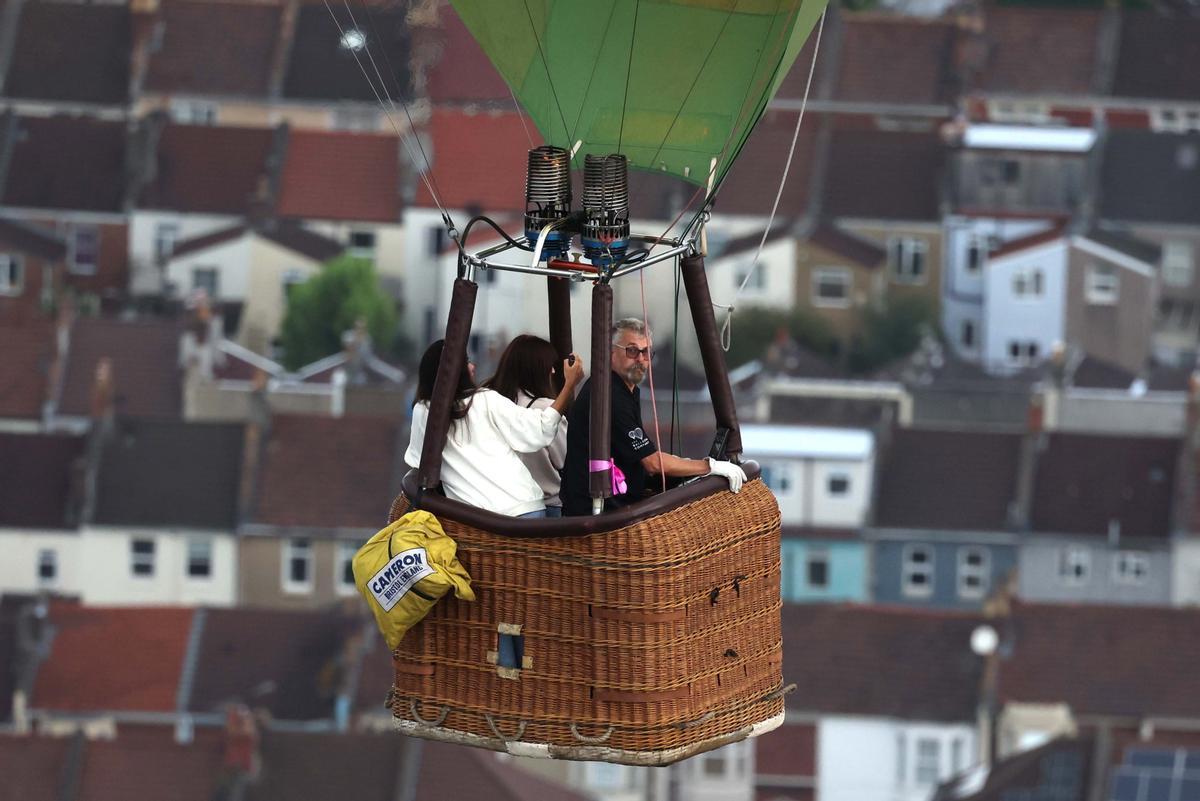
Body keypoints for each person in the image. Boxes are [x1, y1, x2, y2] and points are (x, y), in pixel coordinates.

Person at [560, 318, 746, 516]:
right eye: (632, 351)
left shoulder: (626, 390)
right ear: (610, 353)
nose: (641, 359)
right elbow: (652, 462)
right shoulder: (610, 395)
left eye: (646, 352)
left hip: (615, 502)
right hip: (597, 512)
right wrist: (709, 466)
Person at [406, 339, 584, 518]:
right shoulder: (485, 400)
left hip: (480, 515)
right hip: (526, 506)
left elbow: (419, 461)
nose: (473, 366)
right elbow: (541, 428)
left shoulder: (423, 410)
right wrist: (569, 385)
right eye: (467, 362)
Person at [483, 335, 569, 517]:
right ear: (537, 369)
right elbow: (564, 459)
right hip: (546, 505)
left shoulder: (489, 403)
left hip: (497, 507)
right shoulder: (547, 409)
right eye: (550, 365)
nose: (553, 371)